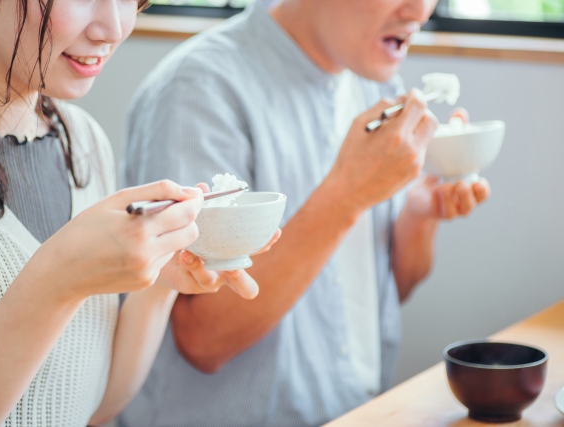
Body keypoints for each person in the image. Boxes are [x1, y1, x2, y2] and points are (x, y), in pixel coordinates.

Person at [119, 0, 491, 426]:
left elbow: (386, 295)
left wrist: (420, 217)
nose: (419, 11)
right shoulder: (199, 91)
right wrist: (348, 195)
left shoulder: (374, 86)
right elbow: (205, 339)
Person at [0, 1, 279, 426]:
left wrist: (161, 279)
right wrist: (57, 280)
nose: (113, 28)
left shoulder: (83, 141)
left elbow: (96, 406)